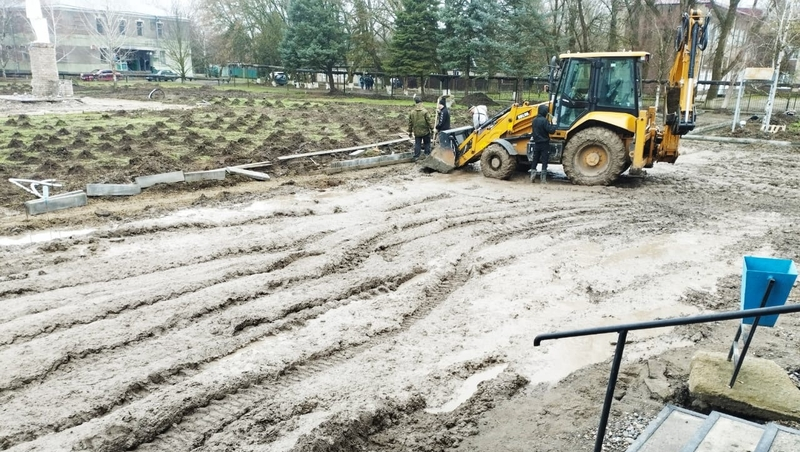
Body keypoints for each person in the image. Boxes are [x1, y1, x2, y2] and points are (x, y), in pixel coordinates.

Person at [529, 103, 556, 183]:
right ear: (544, 112)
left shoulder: (534, 120)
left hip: (537, 143)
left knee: (535, 159)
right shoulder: (544, 121)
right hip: (544, 143)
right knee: (544, 160)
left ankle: (532, 177)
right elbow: (551, 131)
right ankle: (543, 179)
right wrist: (554, 124)